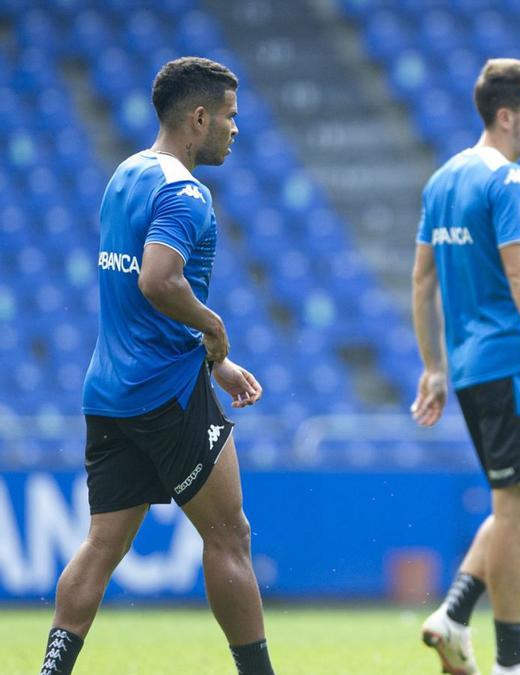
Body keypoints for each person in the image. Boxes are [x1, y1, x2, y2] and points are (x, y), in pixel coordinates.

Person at [40, 57, 273, 675]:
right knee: (230, 537)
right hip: (165, 395)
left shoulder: (126, 175)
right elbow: (157, 281)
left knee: (102, 544)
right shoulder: (185, 193)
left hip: (109, 391)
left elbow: (138, 296)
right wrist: (214, 330)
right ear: (198, 117)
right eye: (228, 116)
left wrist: (211, 360)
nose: (234, 128)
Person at [410, 58, 520, 675]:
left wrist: (433, 366)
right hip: (512, 362)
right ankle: (514, 660)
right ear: (506, 115)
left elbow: (422, 280)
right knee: (516, 507)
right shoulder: (507, 181)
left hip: (468, 365)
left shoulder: (444, 178)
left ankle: (454, 613)